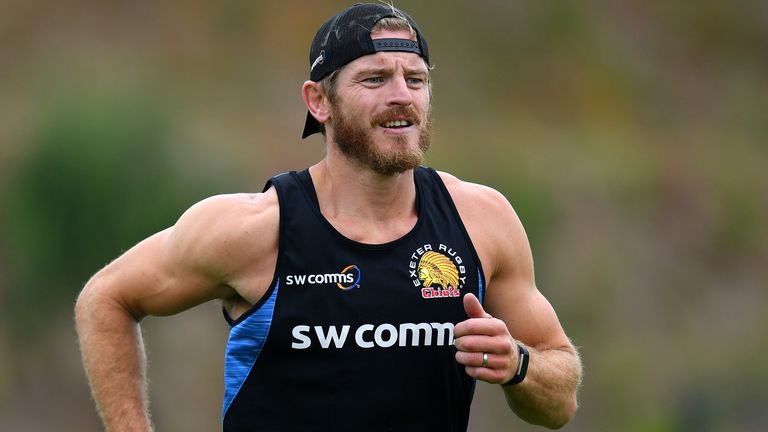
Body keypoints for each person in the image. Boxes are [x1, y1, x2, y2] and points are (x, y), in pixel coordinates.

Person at [75, 3, 582, 431]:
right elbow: (106, 298)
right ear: (318, 101)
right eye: (375, 79)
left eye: (416, 79)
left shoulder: (481, 221)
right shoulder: (257, 230)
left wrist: (518, 364)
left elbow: (560, 402)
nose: (401, 95)